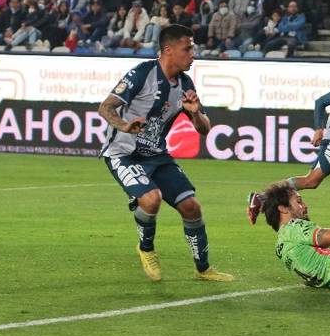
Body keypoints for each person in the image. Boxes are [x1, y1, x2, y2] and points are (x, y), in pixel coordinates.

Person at [97, 24, 233, 282]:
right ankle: (146, 249)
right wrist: (125, 126)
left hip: (157, 155)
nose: (193, 54)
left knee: (191, 207)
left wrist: (194, 112)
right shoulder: (142, 73)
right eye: (188, 48)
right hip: (123, 153)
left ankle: (203, 269)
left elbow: (204, 128)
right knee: (151, 199)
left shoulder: (185, 83)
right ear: (168, 50)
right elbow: (105, 108)